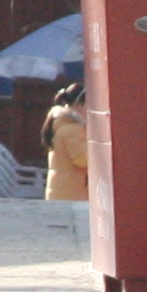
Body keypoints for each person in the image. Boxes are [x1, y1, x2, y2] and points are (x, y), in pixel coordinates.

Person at [43, 69, 92, 201]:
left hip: (62, 192)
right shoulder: (72, 129)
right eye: (89, 104)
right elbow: (81, 160)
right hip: (71, 195)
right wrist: (100, 151)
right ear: (79, 105)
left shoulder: (62, 124)